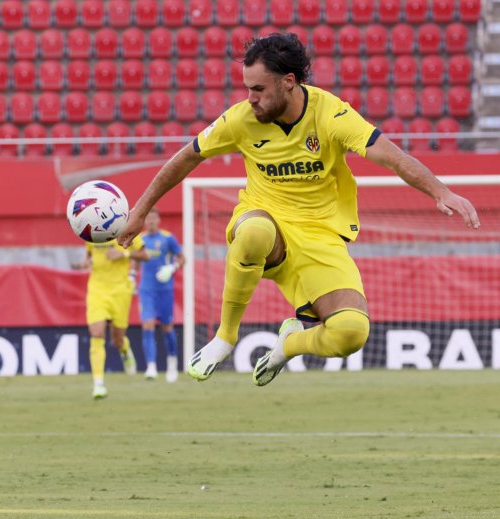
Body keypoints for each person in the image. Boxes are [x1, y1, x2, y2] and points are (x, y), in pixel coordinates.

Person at [118, 34, 480, 386]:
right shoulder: (240, 119)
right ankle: (225, 337)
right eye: (246, 88)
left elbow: (394, 157)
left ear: (288, 82)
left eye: (258, 89)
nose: (251, 99)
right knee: (255, 232)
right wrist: (139, 210)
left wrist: (440, 191)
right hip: (266, 220)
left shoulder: (331, 114)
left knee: (351, 333)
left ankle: (289, 344)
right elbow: (186, 158)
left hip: (320, 234)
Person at [76, 236, 149, 399]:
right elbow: (89, 254)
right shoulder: (92, 230)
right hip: (97, 290)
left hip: (120, 291)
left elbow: (145, 255)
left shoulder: (126, 229)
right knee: (97, 332)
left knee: (117, 339)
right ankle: (98, 384)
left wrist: (124, 255)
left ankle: (124, 349)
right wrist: (86, 263)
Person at [137, 210, 185, 382]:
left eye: (153, 218)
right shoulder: (140, 240)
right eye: (147, 218)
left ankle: (172, 365)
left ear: (158, 220)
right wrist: (131, 277)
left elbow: (182, 258)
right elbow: (134, 261)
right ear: (144, 221)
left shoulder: (167, 238)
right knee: (148, 325)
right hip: (146, 290)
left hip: (165, 290)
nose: (150, 221)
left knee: (167, 327)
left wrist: (172, 268)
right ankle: (151, 367)